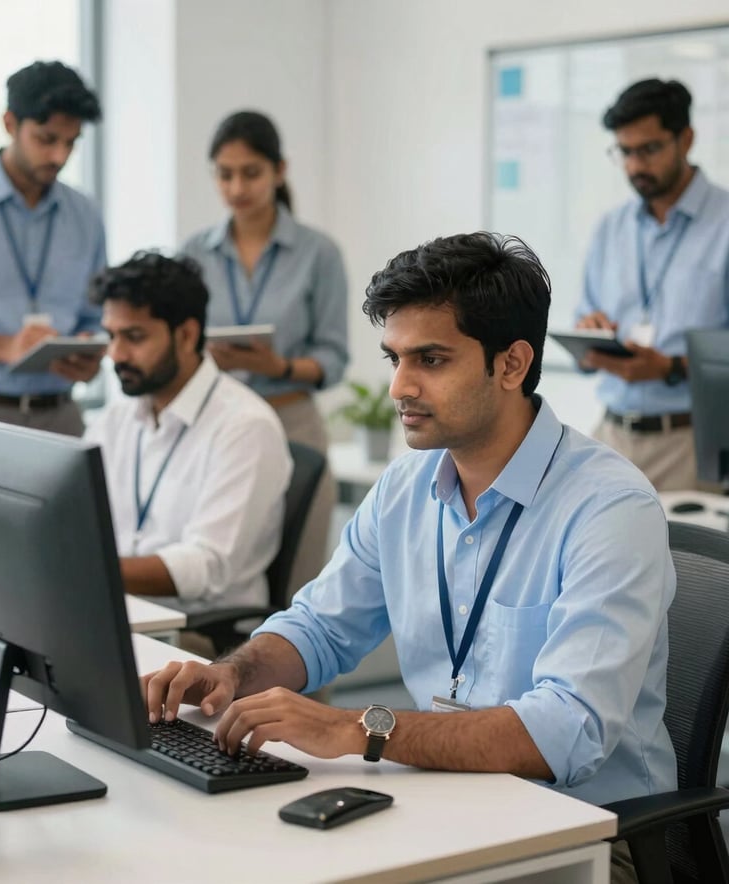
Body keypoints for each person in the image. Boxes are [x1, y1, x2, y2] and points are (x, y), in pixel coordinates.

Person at [144, 232, 676, 884]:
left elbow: (565, 730)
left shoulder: (609, 509)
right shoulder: (405, 487)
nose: (400, 385)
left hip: (592, 835)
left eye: (430, 359)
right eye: (393, 357)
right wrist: (233, 674)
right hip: (446, 799)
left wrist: (359, 729)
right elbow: (320, 626)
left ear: (510, 365)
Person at [181, 110, 348, 592]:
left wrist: (277, 366)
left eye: (251, 173)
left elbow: (334, 357)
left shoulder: (319, 253)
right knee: (214, 571)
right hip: (216, 425)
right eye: (225, 174)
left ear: (280, 170)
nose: (237, 188)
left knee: (299, 583)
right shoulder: (195, 252)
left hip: (293, 420)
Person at [84, 251, 292, 606]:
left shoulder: (245, 427)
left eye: (134, 337)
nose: (115, 355)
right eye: (111, 336)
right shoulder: (114, 422)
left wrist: (89, 572)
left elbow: (207, 565)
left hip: (199, 635)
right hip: (121, 612)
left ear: (186, 334)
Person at [576, 78, 729, 491]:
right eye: (624, 152)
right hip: (610, 438)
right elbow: (582, 317)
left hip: (690, 446)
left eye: (649, 149)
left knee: (688, 559)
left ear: (686, 138)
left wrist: (671, 369)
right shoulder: (611, 228)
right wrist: (588, 337)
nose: (635, 166)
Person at [0, 60, 107, 436]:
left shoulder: (85, 215)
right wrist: (3, 346)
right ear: (10, 124)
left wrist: (90, 357)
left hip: (61, 417)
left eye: (71, 143)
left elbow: (96, 318)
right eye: (46, 139)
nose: (59, 156)